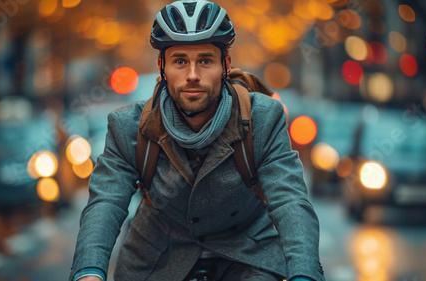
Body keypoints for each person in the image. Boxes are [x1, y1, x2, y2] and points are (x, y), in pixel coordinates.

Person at [69, 1, 325, 280]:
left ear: (225, 65)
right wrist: (88, 271)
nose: (192, 75)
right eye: (180, 61)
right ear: (162, 67)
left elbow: (289, 200)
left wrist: (305, 273)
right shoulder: (129, 126)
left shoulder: (264, 117)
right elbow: (106, 202)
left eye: (205, 60)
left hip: (247, 253)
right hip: (155, 257)